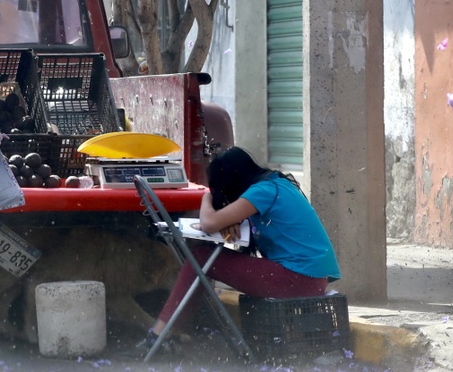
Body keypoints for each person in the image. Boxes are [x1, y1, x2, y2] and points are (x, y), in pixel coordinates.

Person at [133, 146, 342, 357]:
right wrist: (229, 218)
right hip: (307, 278)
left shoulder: (262, 192)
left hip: (298, 279)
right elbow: (227, 224)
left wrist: (207, 198)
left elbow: (209, 223)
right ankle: (169, 333)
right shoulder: (276, 184)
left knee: (200, 257)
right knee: (202, 258)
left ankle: (160, 336)